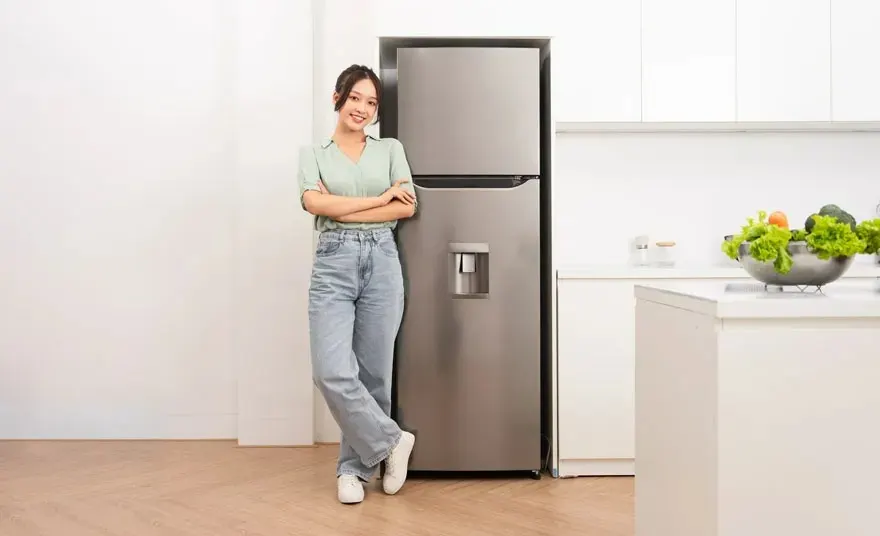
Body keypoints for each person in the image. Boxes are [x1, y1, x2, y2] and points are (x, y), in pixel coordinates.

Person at [297, 64, 418, 505]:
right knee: (330, 371)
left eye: (371, 102)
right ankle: (392, 442)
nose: (363, 109)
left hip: (383, 259)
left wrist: (343, 207)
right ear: (337, 98)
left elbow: (405, 209)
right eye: (355, 98)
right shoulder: (314, 153)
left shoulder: (390, 149)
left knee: (373, 374)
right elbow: (313, 201)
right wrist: (378, 198)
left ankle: (354, 470)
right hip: (333, 261)